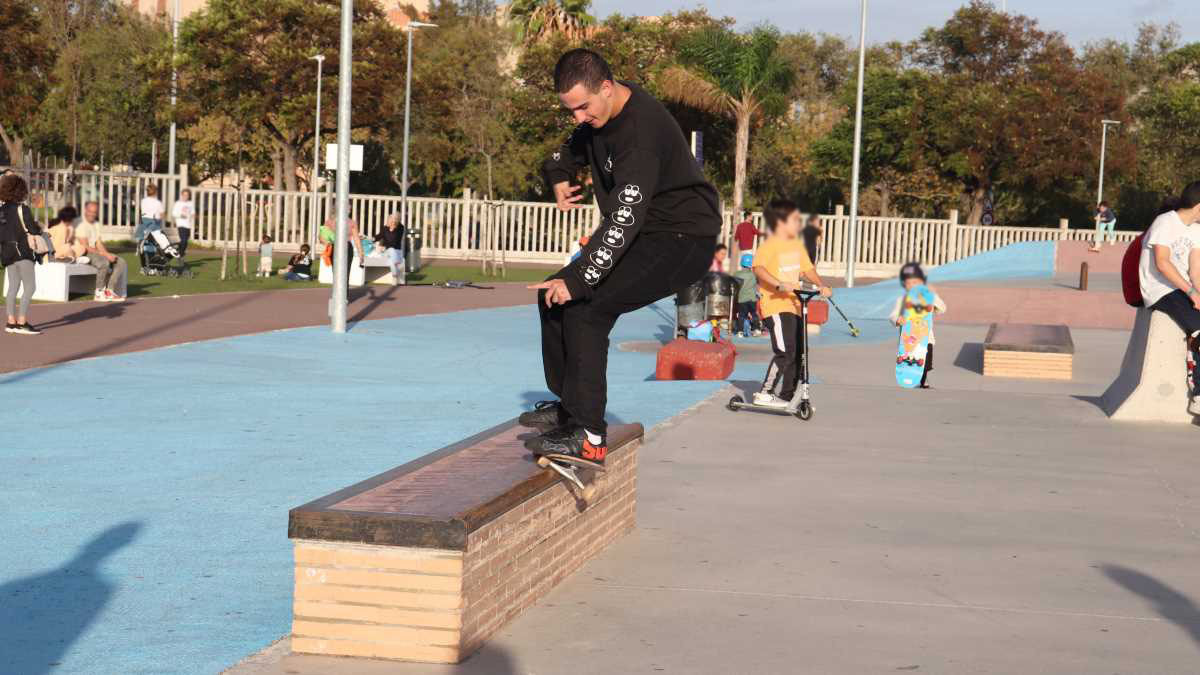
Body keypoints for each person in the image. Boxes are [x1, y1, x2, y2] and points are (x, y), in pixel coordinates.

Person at [522, 49, 720, 466]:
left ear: (607, 88)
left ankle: (589, 435)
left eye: (583, 107)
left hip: (681, 239)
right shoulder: (598, 118)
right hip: (646, 233)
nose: (578, 118)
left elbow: (624, 220)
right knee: (551, 296)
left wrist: (579, 280)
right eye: (570, 109)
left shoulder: (639, 135)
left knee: (584, 306)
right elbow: (561, 156)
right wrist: (559, 180)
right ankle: (570, 407)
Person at [751, 199, 832, 408]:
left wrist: (822, 285)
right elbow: (758, 268)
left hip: (796, 306)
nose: (799, 223)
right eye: (795, 219)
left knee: (799, 352)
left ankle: (787, 395)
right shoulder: (769, 245)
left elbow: (807, 270)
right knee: (785, 350)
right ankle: (765, 392)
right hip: (775, 305)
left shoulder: (797, 246)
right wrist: (778, 284)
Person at [1137, 182, 1200, 412]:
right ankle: (1199, 395)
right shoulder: (1165, 222)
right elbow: (1162, 263)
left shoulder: (1196, 229)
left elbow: (1195, 270)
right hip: (1160, 290)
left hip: (1181, 288)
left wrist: (1198, 293)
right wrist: (1191, 292)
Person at [888, 262, 947, 389]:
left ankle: (922, 378)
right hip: (908, 338)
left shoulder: (930, 296)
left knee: (926, 362)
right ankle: (912, 377)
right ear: (905, 285)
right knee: (909, 358)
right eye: (909, 283)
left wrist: (934, 302)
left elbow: (942, 309)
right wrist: (898, 320)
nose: (912, 286)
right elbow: (892, 316)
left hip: (926, 338)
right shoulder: (902, 300)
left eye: (915, 282)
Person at [0, 174, 43, 334]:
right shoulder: (22, 209)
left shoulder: (1, 211)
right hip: (23, 251)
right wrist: (39, 228)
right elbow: (33, 230)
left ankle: (11, 322)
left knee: (13, 287)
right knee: (30, 286)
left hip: (7, 253)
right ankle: (22, 322)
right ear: (21, 191)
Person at [76, 201, 128, 302]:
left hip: (94, 251)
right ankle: (99, 292)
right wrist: (105, 256)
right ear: (85, 211)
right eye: (90, 211)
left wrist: (108, 254)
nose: (92, 214)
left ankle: (109, 291)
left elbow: (98, 243)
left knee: (120, 262)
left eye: (94, 212)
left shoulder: (96, 224)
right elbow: (85, 246)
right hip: (84, 253)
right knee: (104, 262)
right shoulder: (80, 224)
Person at [731, 252, 762, 338]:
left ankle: (740, 331)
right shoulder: (754, 275)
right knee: (754, 314)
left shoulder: (737, 274)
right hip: (752, 299)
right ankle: (757, 330)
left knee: (741, 315)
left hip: (742, 299)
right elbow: (758, 284)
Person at [374, 213, 407, 285]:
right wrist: (372, 239)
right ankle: (396, 274)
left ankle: (394, 276)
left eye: (393, 219)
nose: (390, 221)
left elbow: (395, 240)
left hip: (396, 251)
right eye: (389, 219)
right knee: (391, 251)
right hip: (387, 251)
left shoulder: (400, 228)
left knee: (391, 261)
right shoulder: (385, 228)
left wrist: (385, 247)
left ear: (396, 220)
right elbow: (379, 236)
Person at [171, 188, 195, 257]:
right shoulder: (178, 203)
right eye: (184, 195)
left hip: (188, 225)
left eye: (187, 195)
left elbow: (193, 213)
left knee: (186, 241)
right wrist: (180, 215)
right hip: (181, 224)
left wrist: (192, 216)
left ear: (189, 196)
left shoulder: (191, 203)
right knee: (183, 240)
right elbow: (173, 213)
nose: (185, 196)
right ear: (181, 195)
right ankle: (180, 254)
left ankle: (178, 250)